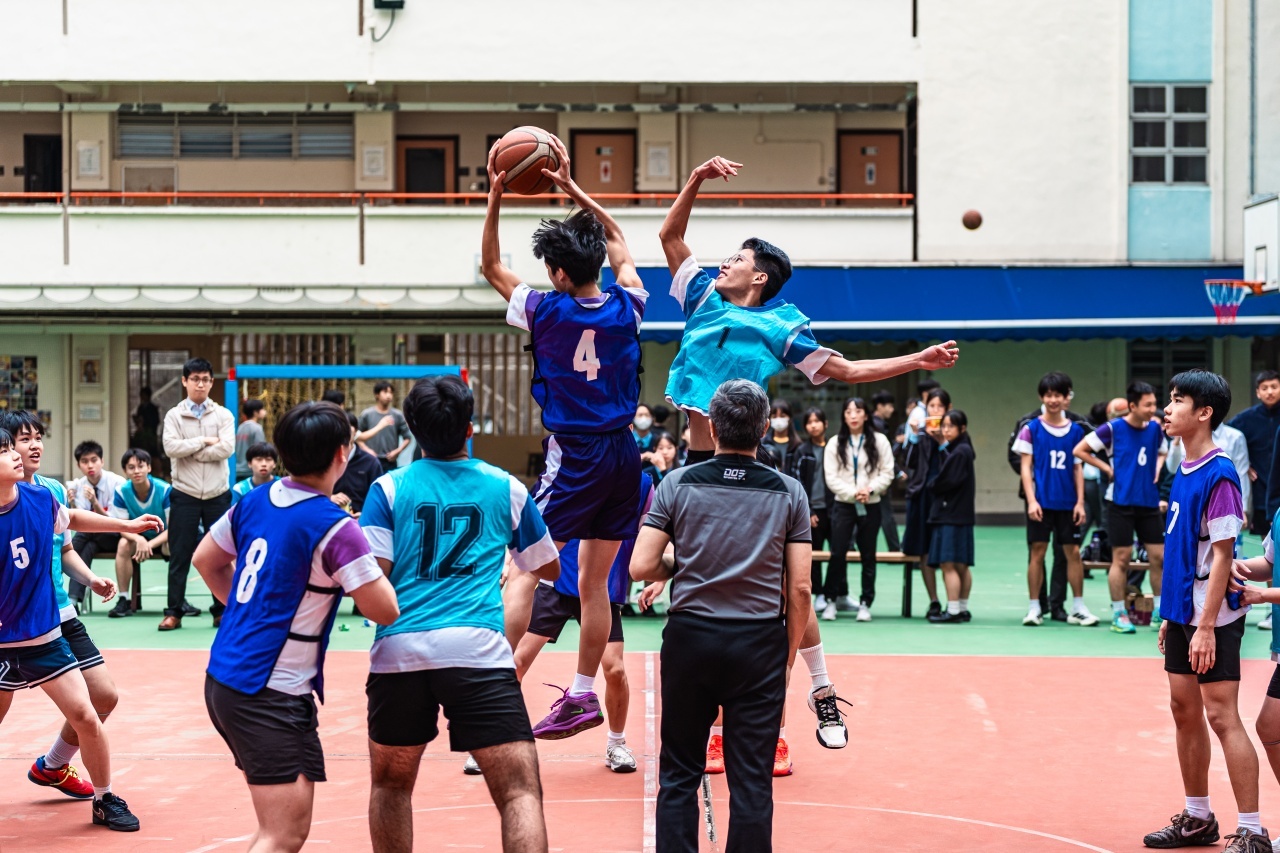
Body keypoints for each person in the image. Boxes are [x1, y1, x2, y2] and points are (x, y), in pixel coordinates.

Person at [482, 135, 645, 740]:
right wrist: (574, 188)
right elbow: (619, 239)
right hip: (623, 454)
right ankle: (580, 692)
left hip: (574, 455)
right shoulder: (629, 306)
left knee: (523, 569)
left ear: (556, 273)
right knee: (596, 582)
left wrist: (496, 195)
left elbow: (490, 267)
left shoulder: (543, 309)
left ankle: (491, 691)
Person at [358, 375, 560, 853]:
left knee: (390, 786)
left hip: (400, 652)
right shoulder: (505, 487)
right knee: (519, 792)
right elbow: (548, 567)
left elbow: (374, 574)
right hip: (478, 652)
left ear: (412, 429)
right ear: (470, 428)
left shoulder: (387, 489)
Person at [657, 154, 958, 471]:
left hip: (749, 463)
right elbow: (670, 236)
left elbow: (850, 371)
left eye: (737, 260)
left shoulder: (780, 327)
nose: (724, 264)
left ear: (760, 278)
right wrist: (696, 177)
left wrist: (918, 359)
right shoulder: (702, 297)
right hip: (699, 460)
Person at [193, 401, 400, 853]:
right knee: (282, 835)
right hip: (268, 691)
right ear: (343, 454)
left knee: (283, 828)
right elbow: (384, 609)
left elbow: (205, 560)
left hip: (230, 677)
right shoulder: (335, 527)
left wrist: (249, 612)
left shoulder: (255, 500)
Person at [631, 380, 812, 853]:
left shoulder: (677, 484)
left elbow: (640, 565)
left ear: (711, 428)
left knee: (679, 772)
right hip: (759, 642)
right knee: (752, 780)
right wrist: (787, 657)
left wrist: (681, 563)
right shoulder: (790, 492)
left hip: (691, 639)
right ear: (764, 428)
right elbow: (800, 588)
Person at [0, 425, 161, 832]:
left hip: (44, 635)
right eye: (7, 449)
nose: (20, 452)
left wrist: (125, 526)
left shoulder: (42, 498)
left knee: (88, 715)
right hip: (2, 643)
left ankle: (104, 798)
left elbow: (71, 520)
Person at [1143, 370, 1269, 852]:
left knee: (1221, 716)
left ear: (1204, 413)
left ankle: (1253, 830)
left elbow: (1222, 556)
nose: (1167, 408)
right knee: (1183, 710)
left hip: (1212, 618)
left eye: (1177, 400)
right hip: (1182, 612)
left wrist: (1207, 626)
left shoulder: (1220, 473)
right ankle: (1198, 818)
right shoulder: (1183, 466)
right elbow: (1183, 550)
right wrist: (1169, 615)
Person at [485, 473, 656, 778]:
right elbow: (533, 524)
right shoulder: (569, 469)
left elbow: (650, 535)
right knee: (516, 663)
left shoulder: (639, 483)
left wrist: (658, 577)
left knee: (615, 669)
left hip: (601, 587)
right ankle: (495, 741)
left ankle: (616, 743)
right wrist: (510, 563)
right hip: (556, 583)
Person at [1074, 381, 1168, 634]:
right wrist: (1107, 468)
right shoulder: (1113, 429)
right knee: (1122, 559)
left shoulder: (1155, 429)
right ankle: (1119, 613)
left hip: (1148, 502)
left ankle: (1160, 611)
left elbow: (1162, 452)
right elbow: (1080, 450)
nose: (1153, 409)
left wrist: (1158, 466)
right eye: (1147, 405)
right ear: (1133, 406)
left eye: (1154, 404)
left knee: (1159, 558)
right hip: (1119, 503)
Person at [1012, 372, 1098, 628]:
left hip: (1068, 503)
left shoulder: (1076, 431)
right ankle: (1034, 607)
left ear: (1066, 397)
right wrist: (1031, 501)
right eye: (1048, 395)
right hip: (1041, 502)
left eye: (1058, 395)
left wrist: (1080, 502)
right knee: (1037, 552)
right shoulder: (1031, 429)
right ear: (1042, 397)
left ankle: (1078, 606)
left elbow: (1078, 469)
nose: (1053, 400)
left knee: (1073, 552)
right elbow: (1025, 468)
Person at [161, 357, 235, 631]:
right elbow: (171, 448)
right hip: (185, 492)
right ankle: (174, 612)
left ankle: (222, 610)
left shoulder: (223, 415)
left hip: (218, 494)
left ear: (211, 382)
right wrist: (203, 441)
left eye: (205, 379)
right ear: (185, 381)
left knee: (222, 553)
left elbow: (226, 449)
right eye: (195, 379)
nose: (200, 384)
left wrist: (191, 451)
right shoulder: (174, 415)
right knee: (179, 555)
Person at [822, 398, 894, 622]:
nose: (853, 415)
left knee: (868, 554)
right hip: (844, 505)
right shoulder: (834, 443)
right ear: (844, 416)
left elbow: (888, 472)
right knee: (837, 553)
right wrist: (853, 493)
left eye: (858, 411)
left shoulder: (880, 441)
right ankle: (831, 600)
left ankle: (865, 603)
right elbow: (831, 478)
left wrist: (869, 490)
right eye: (848, 411)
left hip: (871, 504)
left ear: (866, 415)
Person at [903, 388, 951, 617]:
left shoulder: (954, 433)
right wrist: (914, 436)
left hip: (944, 498)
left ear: (948, 409)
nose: (935, 410)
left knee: (946, 551)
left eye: (940, 406)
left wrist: (943, 441)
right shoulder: (920, 433)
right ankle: (934, 600)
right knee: (923, 550)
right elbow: (909, 463)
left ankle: (954, 602)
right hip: (922, 496)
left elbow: (957, 464)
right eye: (932, 406)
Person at [108, 448, 171, 617]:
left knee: (175, 544)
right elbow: (123, 527)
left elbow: (173, 528)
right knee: (123, 544)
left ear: (149, 468)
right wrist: (140, 540)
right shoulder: (121, 492)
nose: (136, 471)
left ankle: (178, 601)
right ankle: (124, 599)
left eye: (141, 466)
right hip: (138, 538)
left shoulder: (165, 489)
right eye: (131, 467)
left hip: (163, 538)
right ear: (125, 471)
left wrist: (149, 544)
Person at [926, 410, 976, 624]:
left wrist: (932, 485)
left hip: (950, 514)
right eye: (944, 425)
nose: (945, 430)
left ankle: (953, 610)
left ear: (962, 428)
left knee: (948, 564)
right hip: (962, 514)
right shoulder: (963, 449)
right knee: (961, 564)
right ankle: (962, 608)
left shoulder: (959, 452)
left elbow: (945, 481)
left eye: (951, 426)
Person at [65, 440, 126, 608]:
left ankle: (64, 558)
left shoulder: (117, 483)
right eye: (84, 461)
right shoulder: (78, 485)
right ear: (78, 465)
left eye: (94, 460)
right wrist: (72, 504)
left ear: (102, 461)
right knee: (87, 547)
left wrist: (95, 503)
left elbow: (115, 522)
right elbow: (79, 521)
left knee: (80, 540)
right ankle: (73, 600)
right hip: (92, 538)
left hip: (115, 536)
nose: (90, 465)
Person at [1227, 370, 1280, 533]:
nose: (1269, 392)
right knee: (1267, 541)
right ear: (1258, 392)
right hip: (1260, 491)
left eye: (1274, 387)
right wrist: (1245, 464)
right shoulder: (1246, 418)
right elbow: (1224, 437)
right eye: (1264, 388)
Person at [793, 408, 832, 610]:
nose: (813, 425)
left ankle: (838, 593)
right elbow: (797, 482)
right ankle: (819, 594)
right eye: (809, 422)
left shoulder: (834, 447)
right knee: (814, 554)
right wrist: (808, 510)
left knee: (839, 553)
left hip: (834, 508)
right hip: (814, 510)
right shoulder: (802, 451)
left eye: (817, 421)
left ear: (826, 424)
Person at [870, 389, 903, 551]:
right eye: (889, 405)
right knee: (886, 514)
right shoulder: (877, 425)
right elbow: (882, 454)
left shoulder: (874, 423)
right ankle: (895, 548)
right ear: (880, 406)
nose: (892, 409)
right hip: (877, 478)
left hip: (874, 477)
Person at [332, 412, 383, 515]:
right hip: (330, 517)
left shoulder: (370, 462)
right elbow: (313, 491)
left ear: (355, 432)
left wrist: (365, 515)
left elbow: (379, 498)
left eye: (348, 428)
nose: (344, 433)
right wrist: (330, 498)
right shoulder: (326, 460)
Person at [357, 381, 412, 474]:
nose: (388, 395)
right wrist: (367, 450)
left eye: (391, 392)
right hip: (370, 459)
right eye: (385, 392)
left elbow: (407, 438)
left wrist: (397, 451)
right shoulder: (367, 414)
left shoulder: (397, 415)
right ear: (377, 395)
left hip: (390, 460)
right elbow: (356, 436)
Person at [761, 399, 801, 475]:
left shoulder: (797, 446)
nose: (778, 420)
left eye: (782, 416)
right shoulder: (763, 444)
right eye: (774, 416)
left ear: (789, 418)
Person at [234, 399, 268, 481]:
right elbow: (261, 450)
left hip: (238, 470)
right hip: (251, 471)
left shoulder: (240, 427)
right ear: (255, 412)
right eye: (262, 409)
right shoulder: (257, 428)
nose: (265, 411)